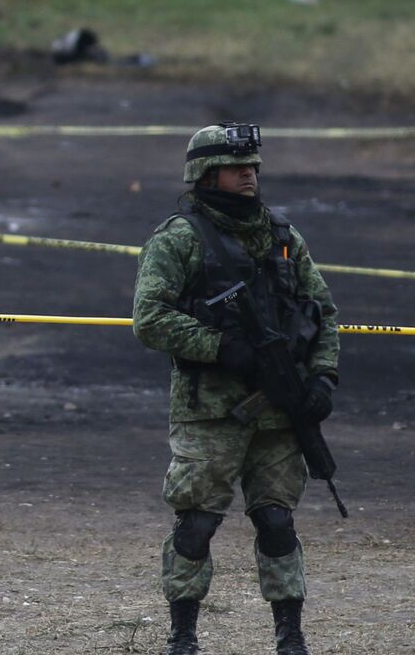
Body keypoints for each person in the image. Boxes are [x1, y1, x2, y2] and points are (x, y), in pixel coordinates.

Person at [132, 123, 340, 655]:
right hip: (211, 412)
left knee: (276, 520)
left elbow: (322, 312)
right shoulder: (179, 237)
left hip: (279, 412)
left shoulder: (283, 238)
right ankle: (183, 635)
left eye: (253, 167)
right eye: (236, 167)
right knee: (197, 525)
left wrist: (322, 377)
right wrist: (222, 347)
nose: (249, 175)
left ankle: (290, 636)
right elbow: (149, 318)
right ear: (207, 174)